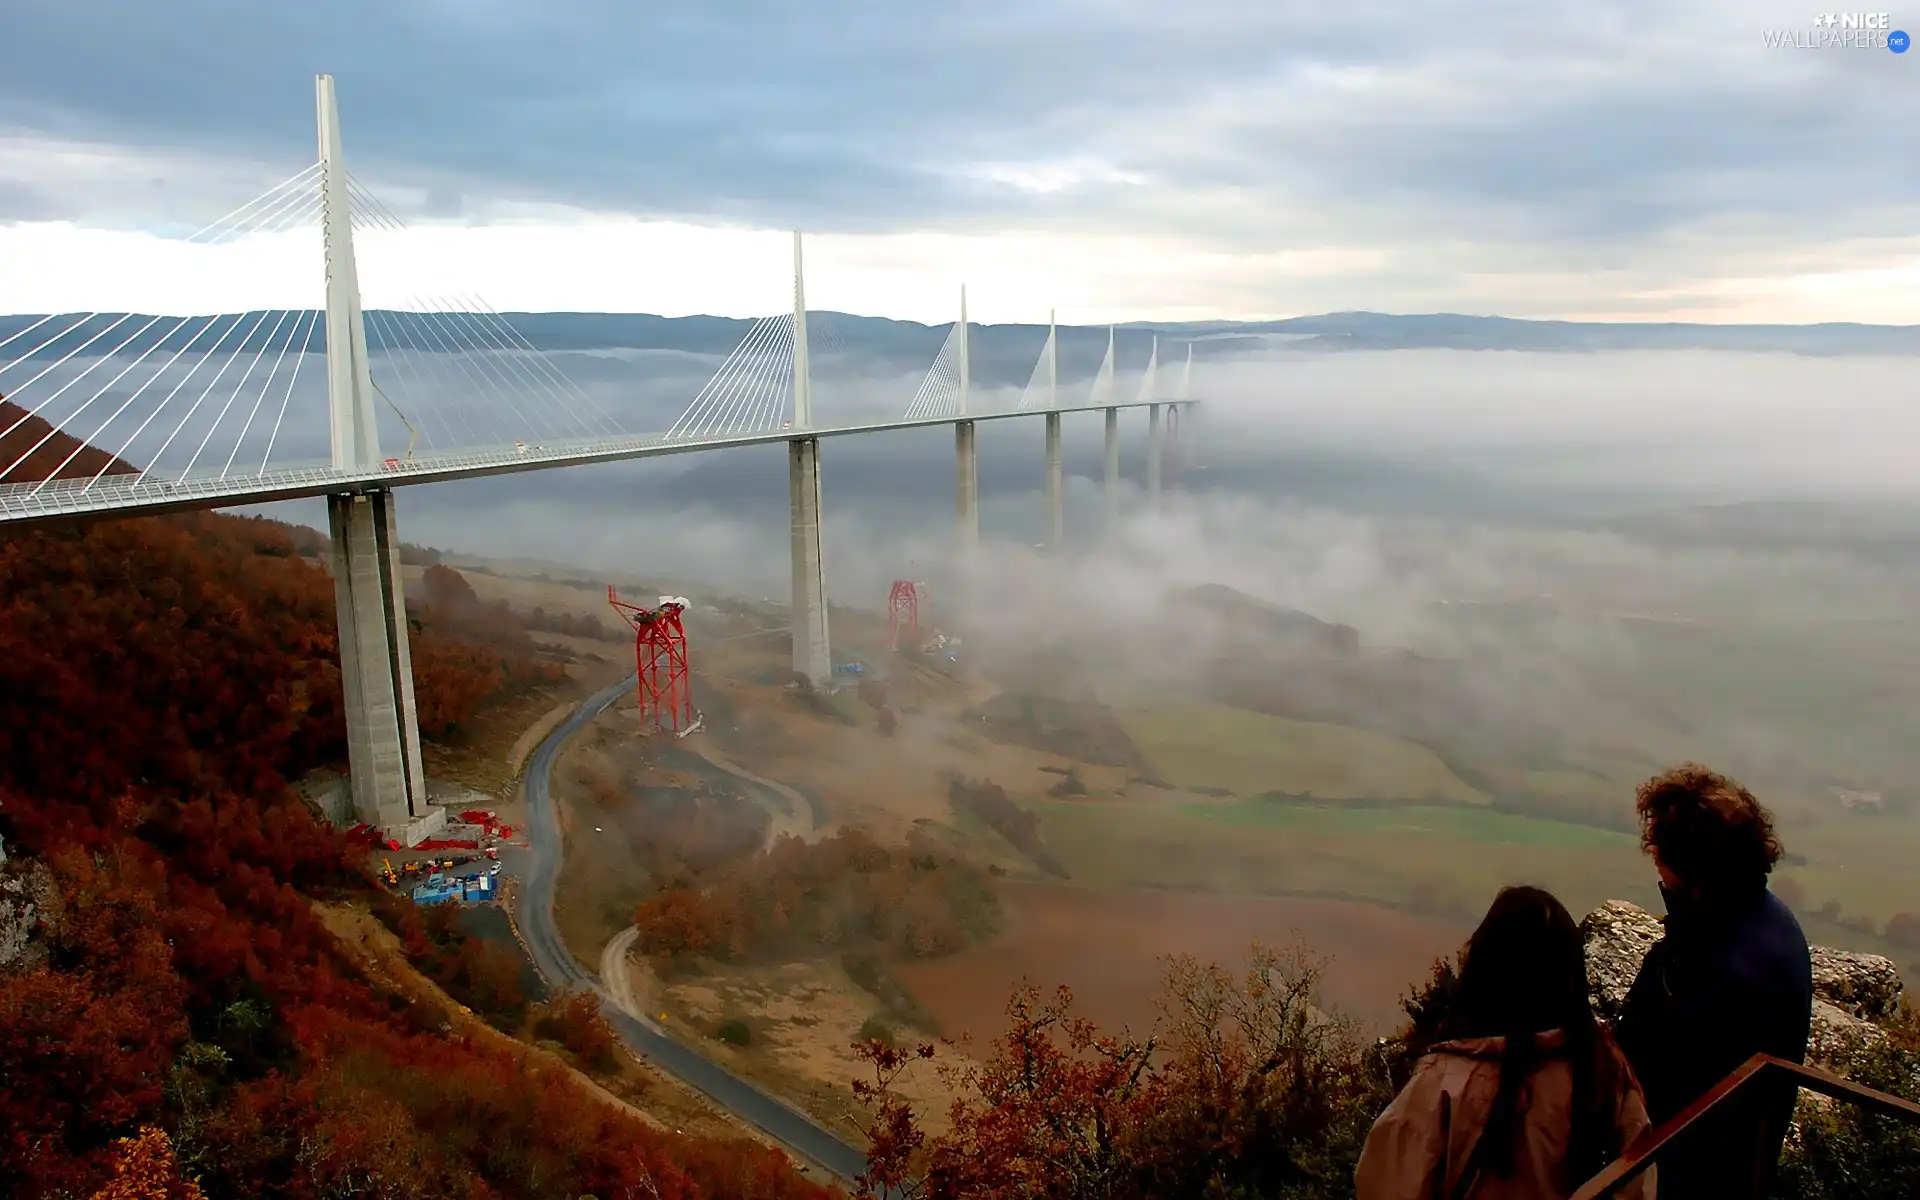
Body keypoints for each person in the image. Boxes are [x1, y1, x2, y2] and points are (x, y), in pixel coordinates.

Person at [1356, 886, 1654, 1200]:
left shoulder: (1443, 1084)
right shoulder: (1605, 1069)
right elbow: (1638, 1183)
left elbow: (1387, 1186)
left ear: (1484, 970)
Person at [1614, 763, 1812, 1199]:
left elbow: (1661, 1078)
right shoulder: (1754, 916)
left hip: (1689, 1172)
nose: (1658, 869)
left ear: (1697, 875)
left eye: (1662, 857)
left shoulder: (1730, 969)